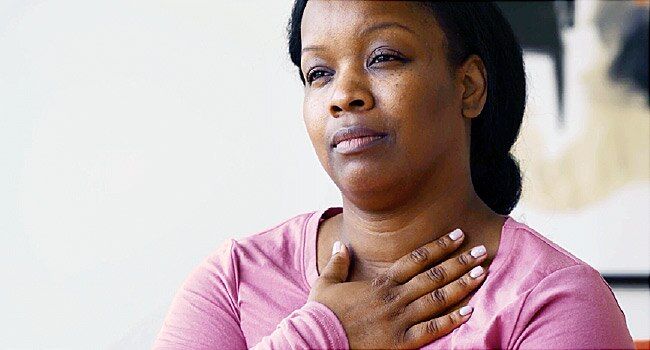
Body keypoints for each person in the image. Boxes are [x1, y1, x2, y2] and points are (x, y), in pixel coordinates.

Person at [153, 1, 634, 349]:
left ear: (469, 86)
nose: (343, 94)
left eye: (383, 57)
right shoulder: (235, 280)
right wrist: (321, 336)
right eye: (318, 72)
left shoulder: (554, 300)